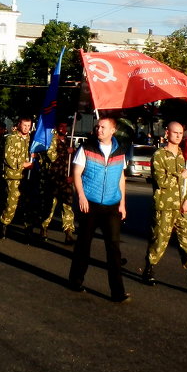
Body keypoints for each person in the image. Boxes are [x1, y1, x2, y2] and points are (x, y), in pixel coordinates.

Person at [143, 120, 187, 294]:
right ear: (167, 133)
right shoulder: (159, 155)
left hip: (183, 208)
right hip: (165, 206)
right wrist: (181, 175)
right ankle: (149, 270)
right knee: (159, 240)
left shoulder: (186, 157)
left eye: (181, 133)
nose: (179, 136)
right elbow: (161, 181)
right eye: (175, 132)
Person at [67, 116, 130, 303]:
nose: (99, 130)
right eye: (98, 127)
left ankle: (117, 292)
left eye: (103, 127)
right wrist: (81, 196)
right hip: (90, 204)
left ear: (113, 130)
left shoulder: (120, 151)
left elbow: (121, 177)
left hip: (112, 206)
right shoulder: (87, 148)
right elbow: (76, 173)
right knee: (83, 244)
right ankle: (76, 280)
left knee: (114, 248)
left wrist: (122, 203)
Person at [0, 117, 33, 238]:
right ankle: (4, 223)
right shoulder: (11, 138)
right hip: (13, 176)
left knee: (28, 203)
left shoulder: (32, 140)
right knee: (12, 202)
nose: (26, 128)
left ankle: (28, 228)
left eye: (28, 126)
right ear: (19, 125)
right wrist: (23, 164)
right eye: (24, 125)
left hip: (28, 176)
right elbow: (8, 157)